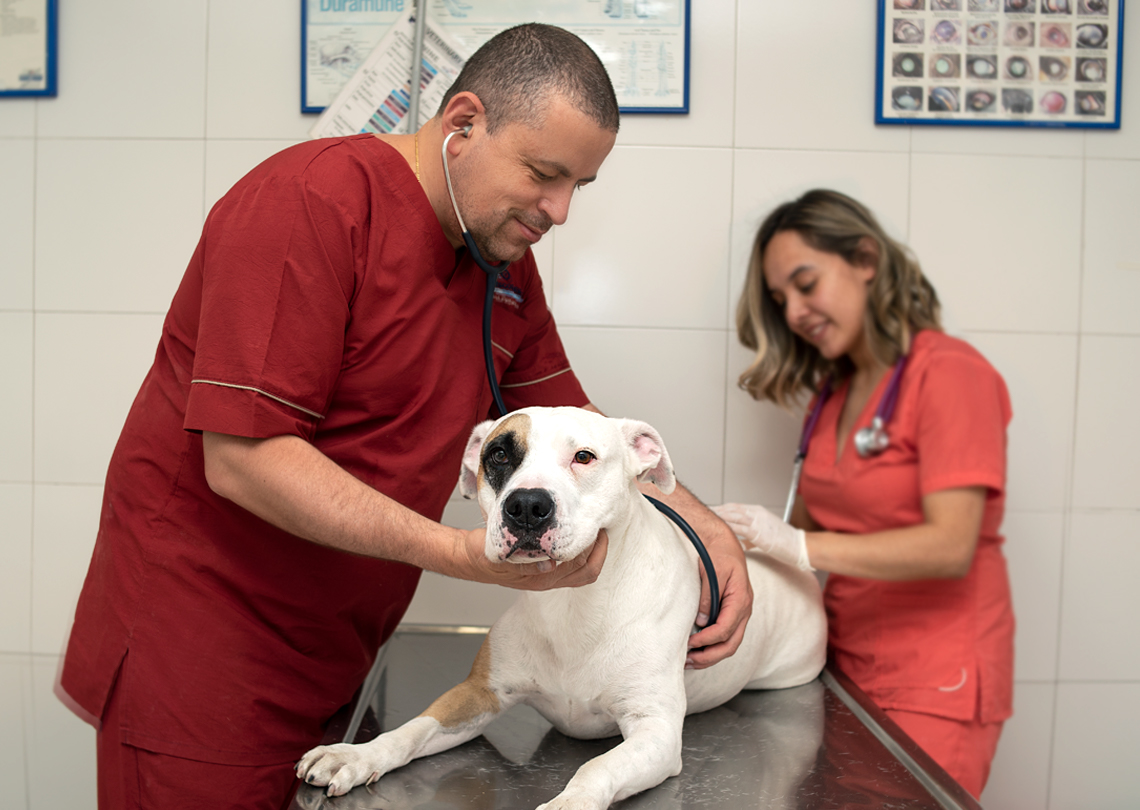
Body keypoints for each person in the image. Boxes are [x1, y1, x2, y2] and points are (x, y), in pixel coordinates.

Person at [57, 24, 752, 810]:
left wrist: (705, 528)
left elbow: (582, 419)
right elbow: (244, 457)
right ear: (463, 124)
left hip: (340, 644)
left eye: (578, 188)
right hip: (204, 651)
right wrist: (465, 553)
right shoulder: (310, 205)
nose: (558, 211)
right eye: (542, 173)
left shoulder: (501, 266)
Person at [713, 189, 1014, 799]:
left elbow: (950, 545)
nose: (794, 311)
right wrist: (714, 550)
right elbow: (793, 541)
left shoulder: (951, 373)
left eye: (806, 283)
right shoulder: (832, 394)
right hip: (842, 668)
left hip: (937, 680)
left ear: (866, 260)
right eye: (780, 299)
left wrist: (797, 543)